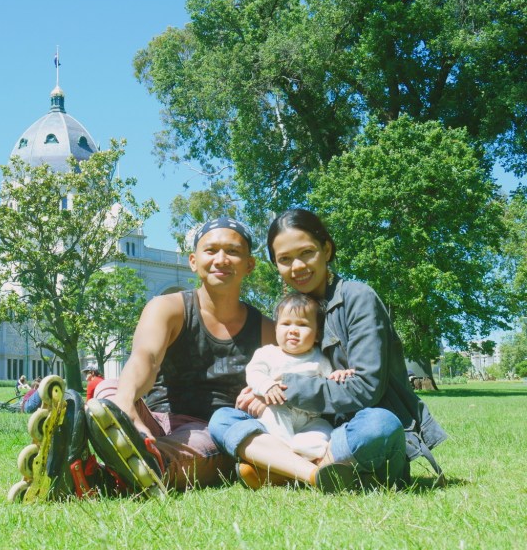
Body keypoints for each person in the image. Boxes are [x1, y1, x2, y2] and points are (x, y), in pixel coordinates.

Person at [209, 208, 448, 492]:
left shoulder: (358, 299)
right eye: (285, 259)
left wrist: (282, 392)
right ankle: (316, 475)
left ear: (326, 249)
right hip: (300, 429)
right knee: (222, 418)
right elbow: (270, 368)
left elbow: (366, 388)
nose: (297, 266)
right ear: (275, 264)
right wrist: (261, 393)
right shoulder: (292, 312)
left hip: (355, 432)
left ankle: (285, 470)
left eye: (306, 252)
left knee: (381, 424)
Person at [83, 216, 276, 494]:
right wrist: (128, 408)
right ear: (193, 261)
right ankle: (120, 447)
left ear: (249, 265)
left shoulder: (266, 329)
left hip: (209, 432)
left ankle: (111, 472)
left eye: (232, 251)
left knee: (198, 447)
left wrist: (263, 396)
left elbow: (285, 382)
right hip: (152, 418)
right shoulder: (168, 308)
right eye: (210, 251)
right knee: (109, 388)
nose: (221, 259)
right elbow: (145, 358)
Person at [241, 292, 354, 462]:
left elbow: (328, 383)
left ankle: (304, 455)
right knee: (271, 419)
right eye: (285, 324)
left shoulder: (319, 359)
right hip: (279, 410)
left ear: (317, 334)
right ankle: (287, 457)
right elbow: (254, 373)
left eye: (302, 325)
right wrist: (267, 386)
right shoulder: (267, 353)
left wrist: (338, 375)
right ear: (276, 328)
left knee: (324, 431)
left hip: (311, 419)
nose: (293, 330)